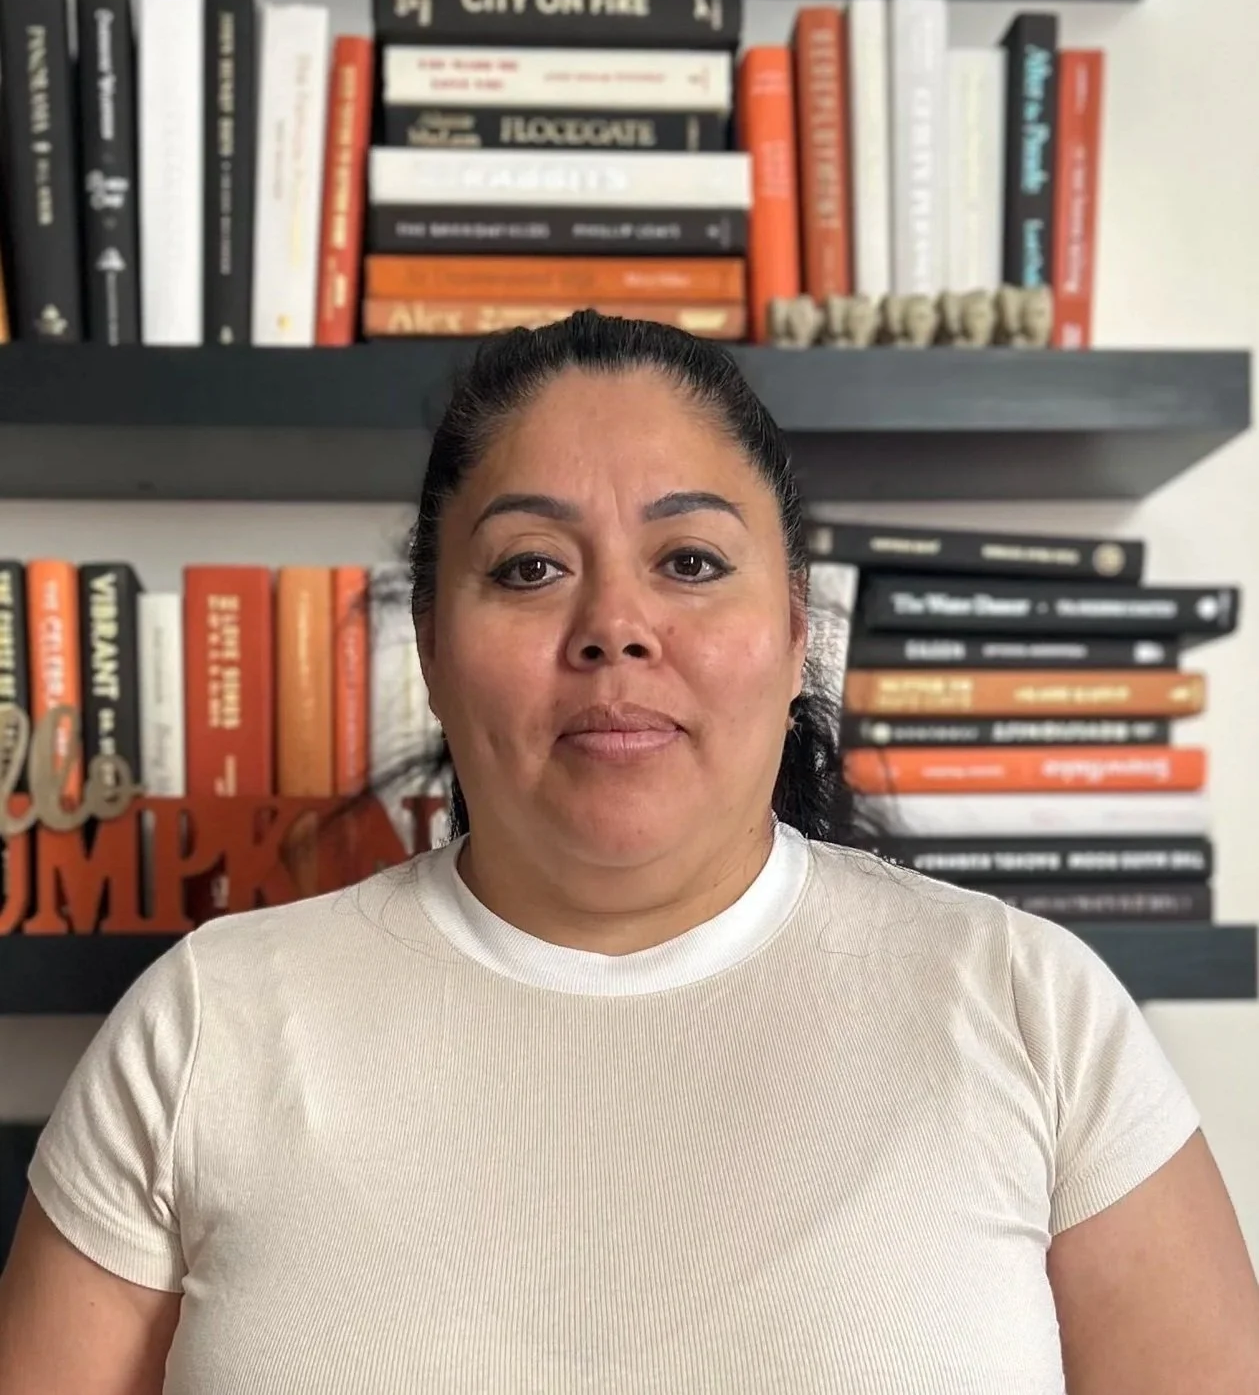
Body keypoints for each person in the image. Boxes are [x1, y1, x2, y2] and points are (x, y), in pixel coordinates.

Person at [1, 311, 1258, 1394]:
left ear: (795, 630)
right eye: (529, 566)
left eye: (690, 560)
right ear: (429, 645)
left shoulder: (1030, 1008)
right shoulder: (205, 1025)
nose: (614, 625)